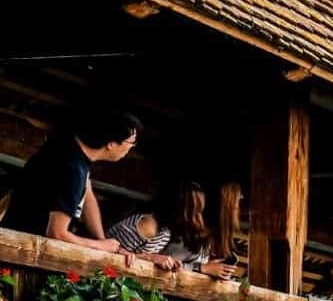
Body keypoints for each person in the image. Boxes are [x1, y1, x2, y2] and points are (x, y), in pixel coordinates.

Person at [1, 109, 141, 254]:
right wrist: (101, 246)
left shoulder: (72, 149)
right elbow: (57, 233)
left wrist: (103, 241)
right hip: (21, 248)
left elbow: (88, 196)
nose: (131, 147)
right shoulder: (73, 170)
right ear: (111, 143)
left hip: (15, 236)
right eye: (131, 142)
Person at [105, 180, 235, 278]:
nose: (199, 219)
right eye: (194, 212)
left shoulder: (165, 231)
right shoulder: (149, 226)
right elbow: (109, 255)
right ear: (179, 209)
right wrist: (151, 259)